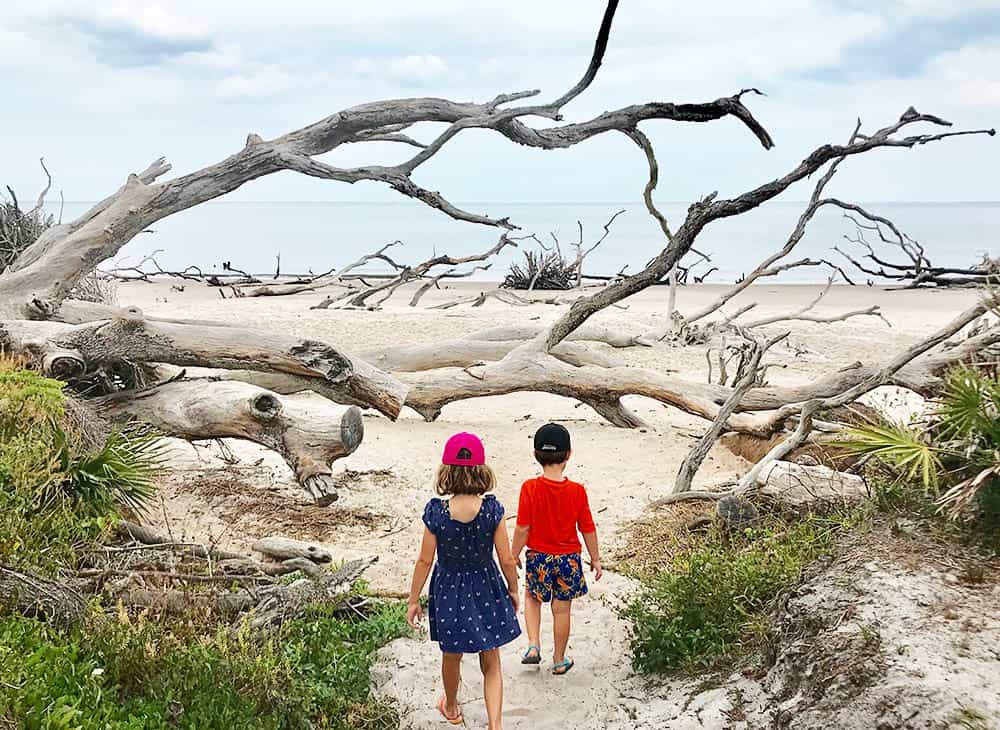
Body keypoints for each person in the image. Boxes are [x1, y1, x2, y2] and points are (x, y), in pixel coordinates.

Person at [406, 432, 521, 729]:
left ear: (447, 471)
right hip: (486, 584)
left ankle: (453, 707)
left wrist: (413, 598)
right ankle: (495, 723)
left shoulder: (437, 513)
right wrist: (513, 588)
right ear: (482, 470)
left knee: (451, 654)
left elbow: (424, 560)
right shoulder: (492, 510)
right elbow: (506, 558)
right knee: (491, 658)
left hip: (448, 590)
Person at [511, 422, 602, 676]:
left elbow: (523, 527)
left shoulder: (530, 487)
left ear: (536, 455)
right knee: (562, 609)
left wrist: (513, 552)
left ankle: (532, 644)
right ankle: (559, 659)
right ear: (569, 454)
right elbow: (587, 527)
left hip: (538, 556)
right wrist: (595, 558)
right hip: (568, 559)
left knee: (532, 597)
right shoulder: (577, 491)